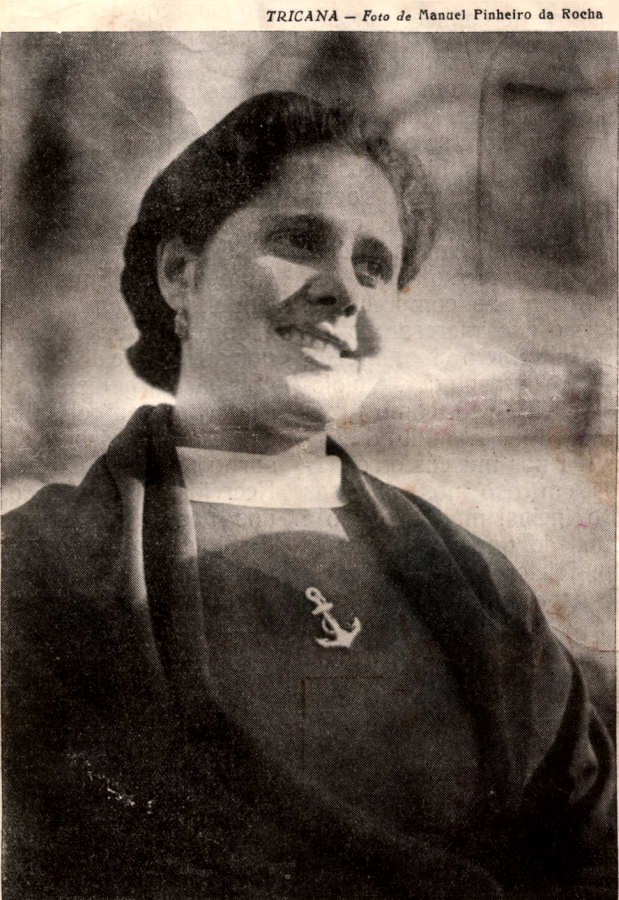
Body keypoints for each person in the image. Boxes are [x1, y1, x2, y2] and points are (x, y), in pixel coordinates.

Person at [2, 91, 616, 899]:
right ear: (180, 273)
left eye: (374, 265)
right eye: (299, 240)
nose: (343, 289)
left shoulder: (479, 586)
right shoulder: (35, 569)